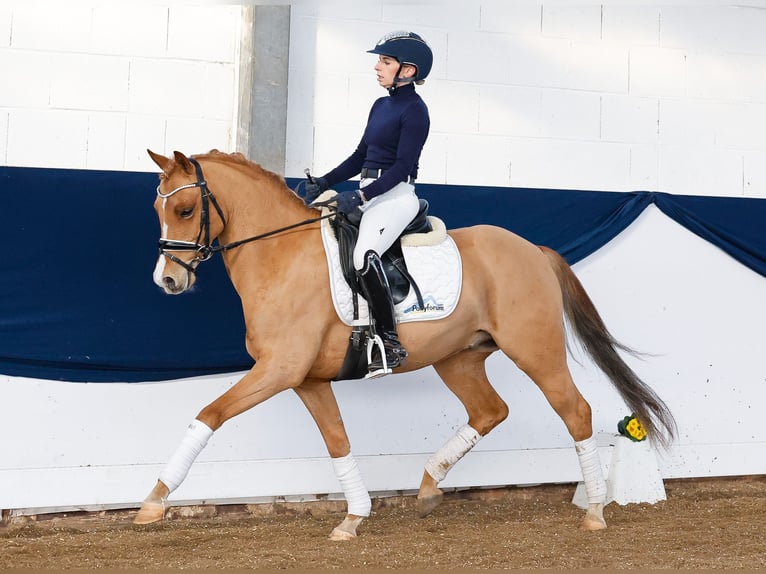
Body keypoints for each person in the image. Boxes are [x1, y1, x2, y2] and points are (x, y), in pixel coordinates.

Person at [304, 30, 432, 377]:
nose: (377, 67)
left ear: (407, 70)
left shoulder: (416, 111)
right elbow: (361, 155)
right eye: (379, 60)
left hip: (396, 195)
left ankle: (390, 341)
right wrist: (325, 182)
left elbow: (403, 167)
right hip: (372, 191)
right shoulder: (381, 105)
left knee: (363, 255)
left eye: (385, 61)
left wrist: (361, 196)